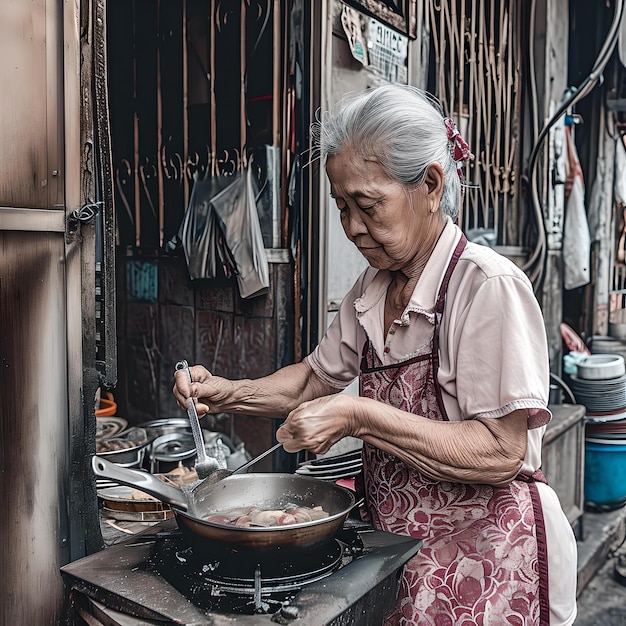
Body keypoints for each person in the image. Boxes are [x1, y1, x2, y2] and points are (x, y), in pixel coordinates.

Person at [173, 84, 578, 626]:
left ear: (430, 185)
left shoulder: (484, 285)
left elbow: (500, 450)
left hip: (491, 556)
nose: (352, 228)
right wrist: (225, 394)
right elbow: (311, 381)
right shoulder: (373, 287)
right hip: (403, 553)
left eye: (367, 205)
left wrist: (357, 414)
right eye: (342, 207)